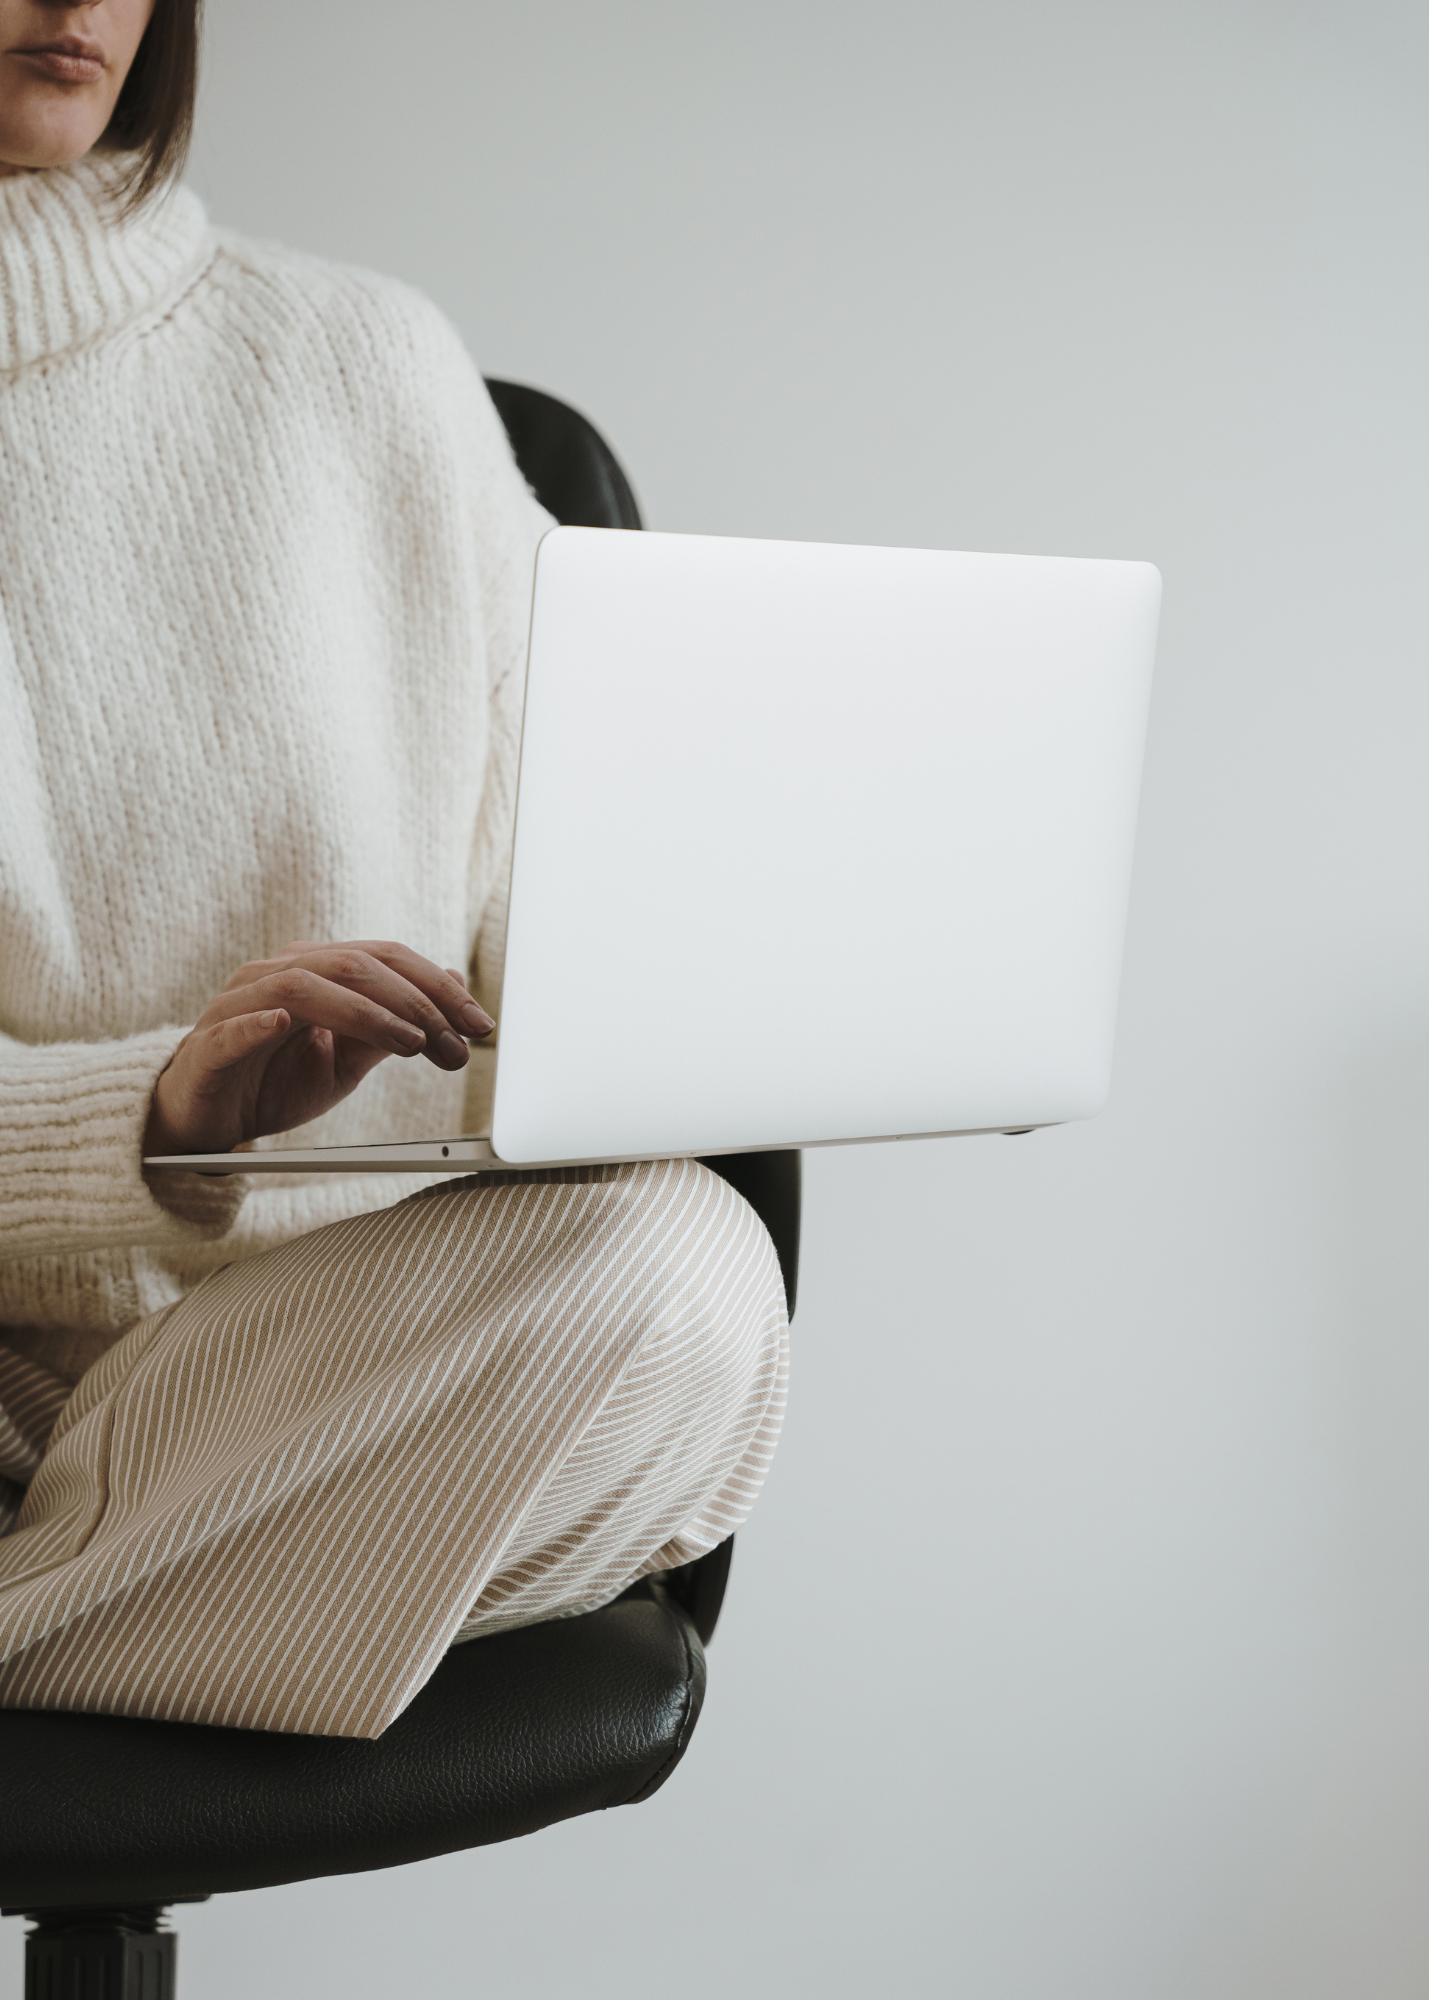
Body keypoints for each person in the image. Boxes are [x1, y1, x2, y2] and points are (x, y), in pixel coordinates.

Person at [0, 0, 787, 1738]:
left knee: (685, 1275)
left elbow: (561, 936)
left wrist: (684, 1020)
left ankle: (49, 1616)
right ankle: (163, 1606)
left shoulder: (369, 365)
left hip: (342, 1370)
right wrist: (155, 1113)